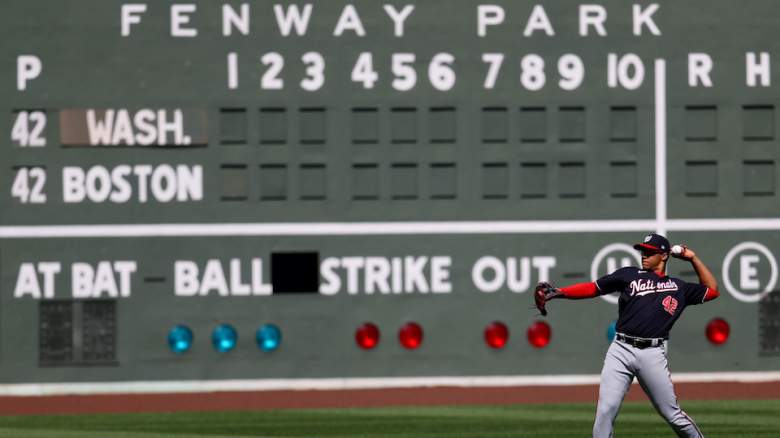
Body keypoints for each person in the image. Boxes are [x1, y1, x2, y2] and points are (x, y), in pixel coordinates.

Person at [534, 233, 720, 438]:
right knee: (605, 411)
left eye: (650, 252)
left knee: (672, 414)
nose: (644, 255)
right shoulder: (629, 275)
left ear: (664, 256)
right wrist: (561, 292)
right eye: (643, 251)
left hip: (652, 354)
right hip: (620, 350)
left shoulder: (679, 287)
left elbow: (712, 290)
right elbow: (594, 288)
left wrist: (693, 258)